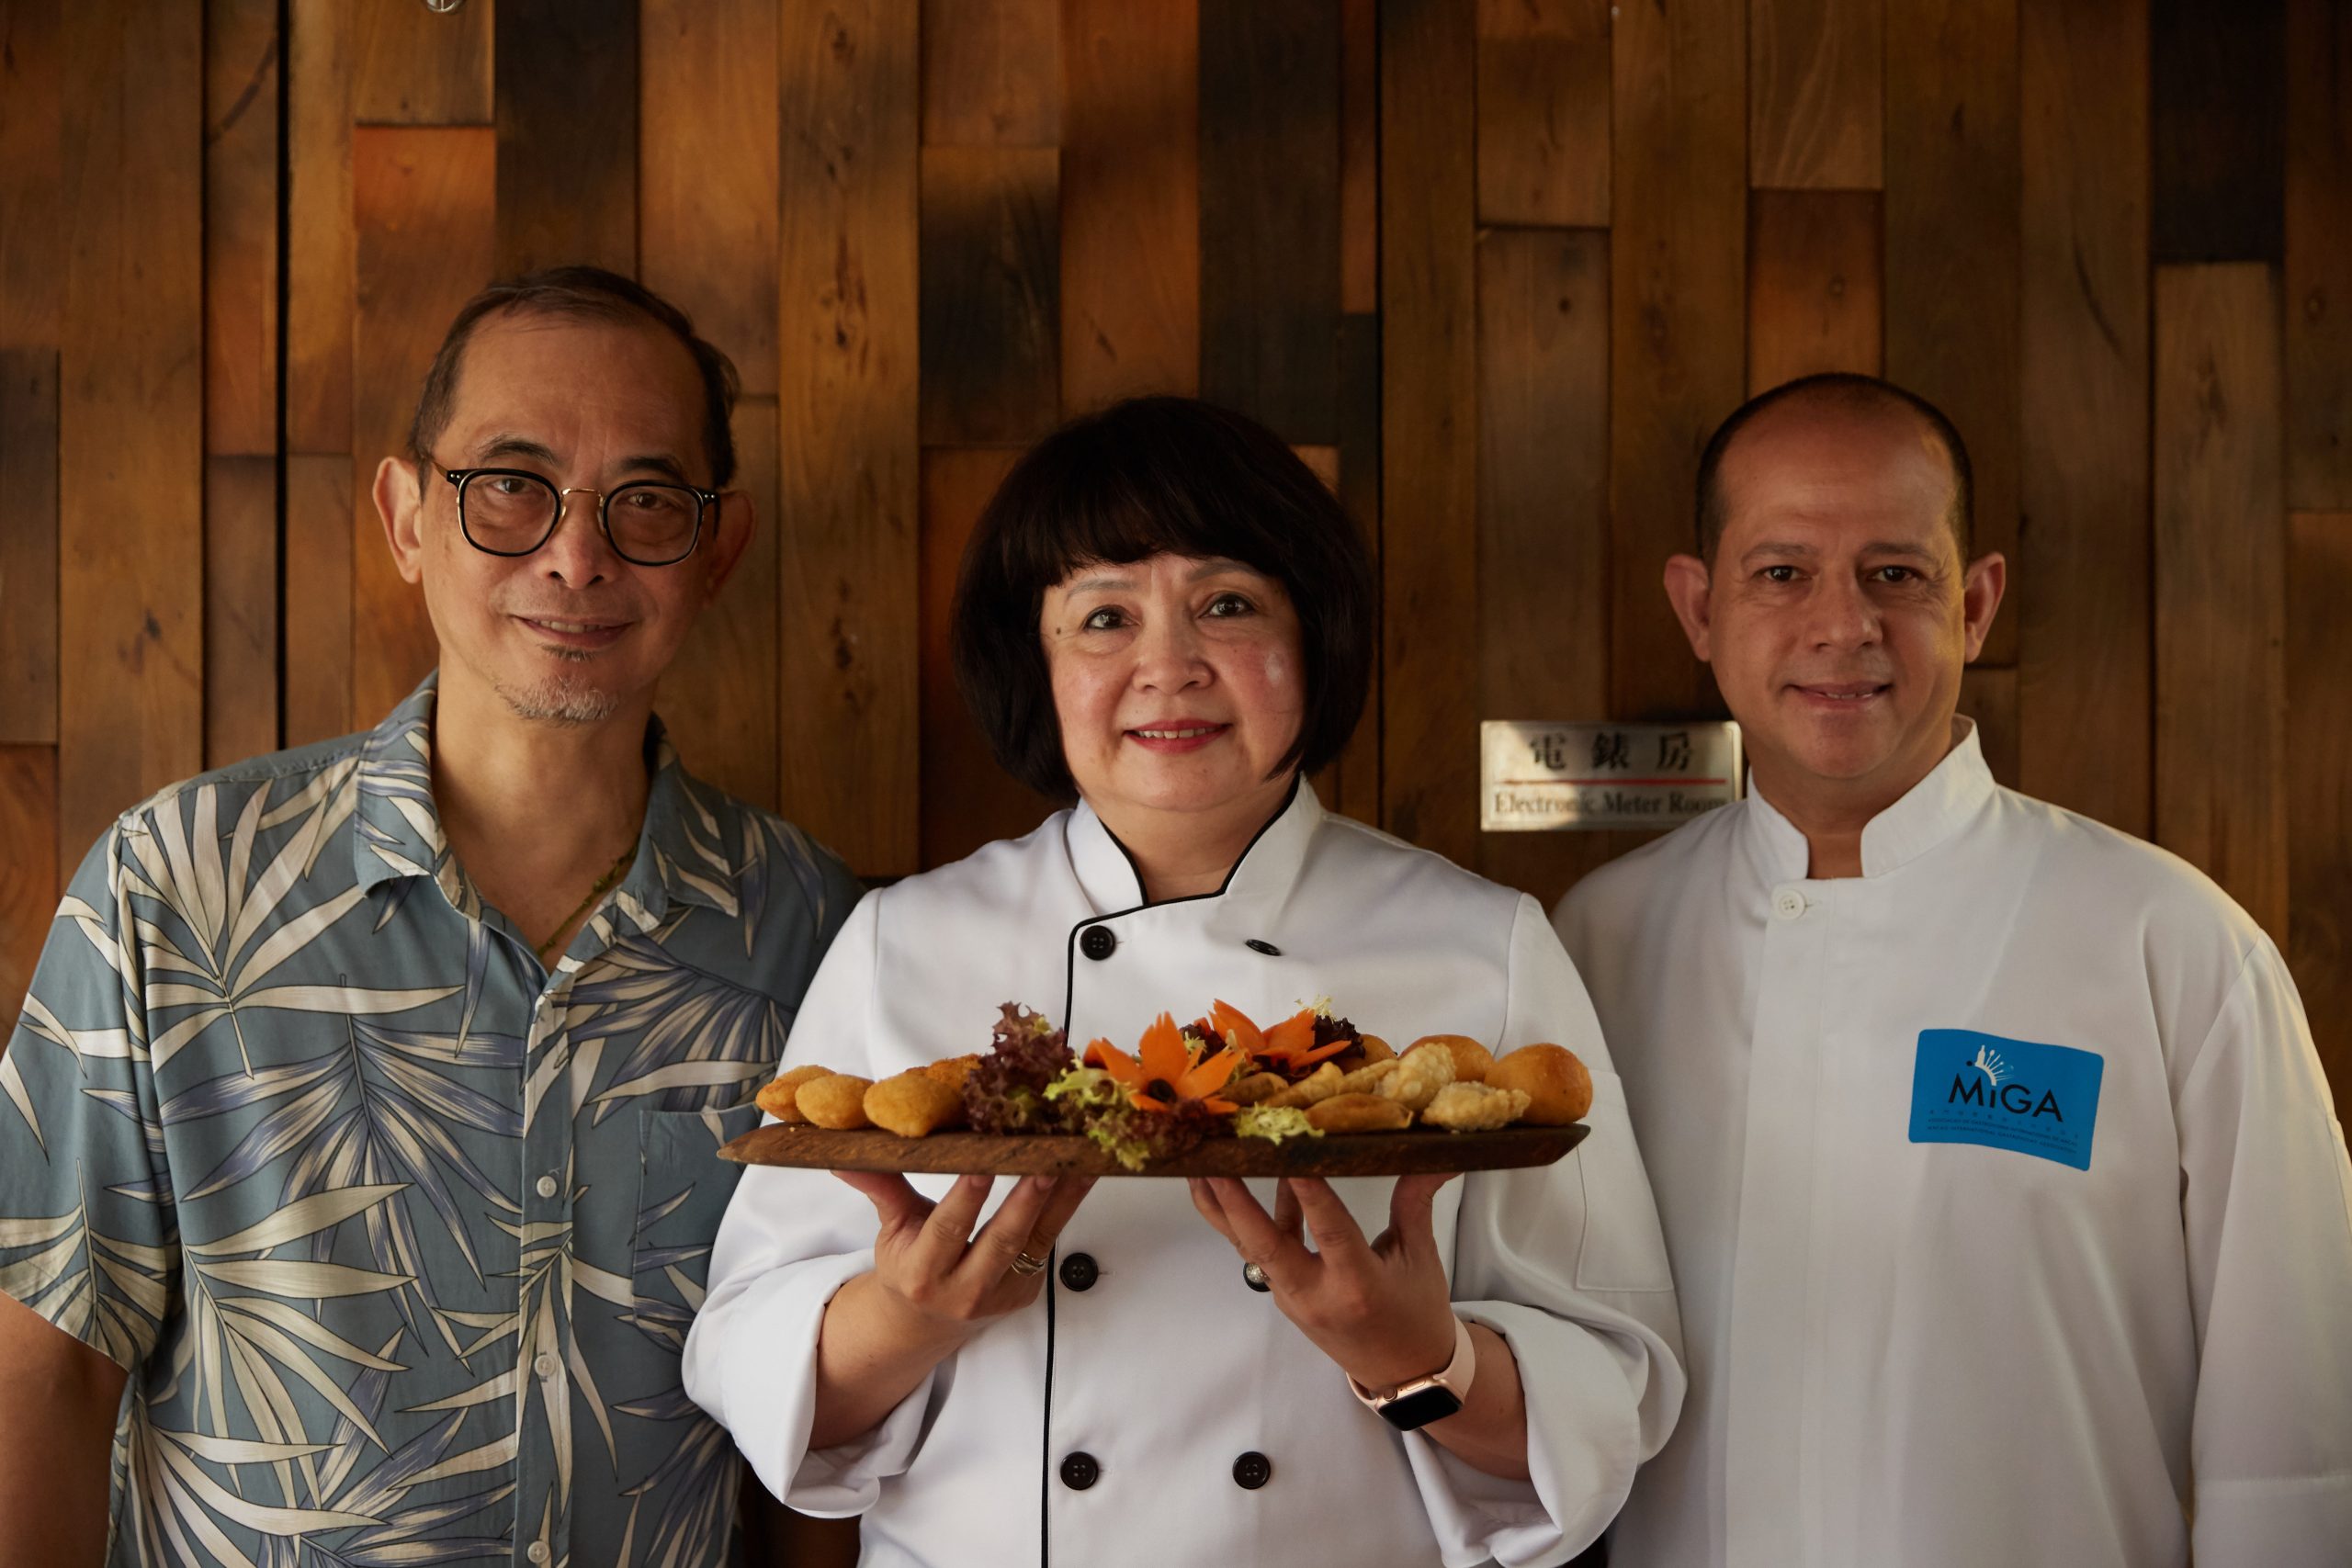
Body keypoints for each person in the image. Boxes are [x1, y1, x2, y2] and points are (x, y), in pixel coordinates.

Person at [682, 396, 1684, 1567]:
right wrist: (901, 1321)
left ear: (1315, 639)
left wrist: (1420, 1363)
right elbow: (753, 1365)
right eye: (1103, 617)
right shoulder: (905, 940)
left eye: (1227, 604)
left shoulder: (1482, 943)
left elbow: (1608, 1390)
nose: (1168, 665)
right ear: (1035, 666)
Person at [0, 266, 865, 1567]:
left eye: (644, 500)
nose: (577, 556)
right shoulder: (176, 882)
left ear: (715, 546)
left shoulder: (816, 930)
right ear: (408, 516)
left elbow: (820, 1418)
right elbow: (44, 1367)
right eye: (510, 484)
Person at [1553, 371, 2352, 1567]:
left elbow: (2295, 1454)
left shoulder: (2170, 944)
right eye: (1781, 572)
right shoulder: (1595, 946)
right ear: (1699, 606)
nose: (1842, 622)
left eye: (1896, 572)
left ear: (1975, 604)